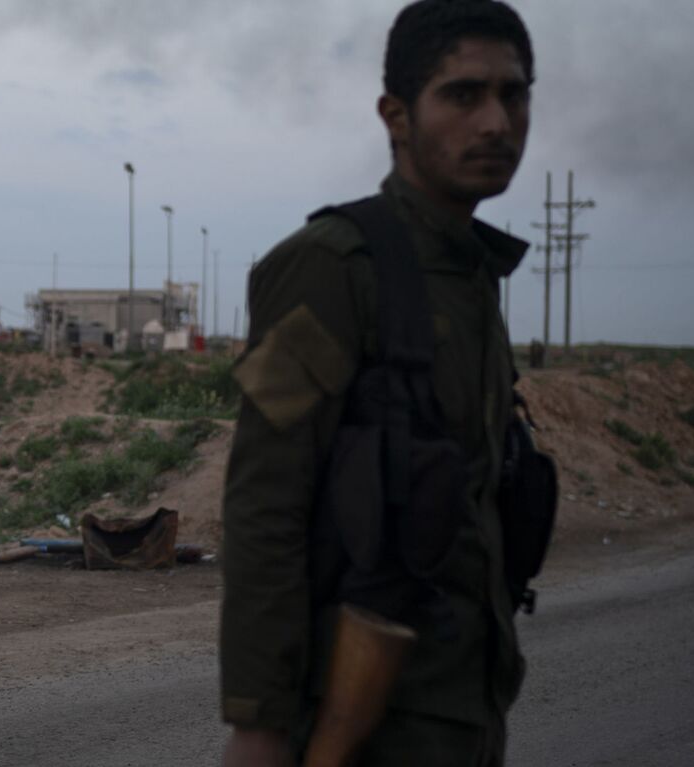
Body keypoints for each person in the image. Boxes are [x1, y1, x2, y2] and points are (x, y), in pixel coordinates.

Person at [218, 1, 537, 765]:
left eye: (514, 94)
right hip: (358, 722)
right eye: (463, 95)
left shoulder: (469, 270)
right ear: (396, 115)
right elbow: (266, 501)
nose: (496, 121)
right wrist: (258, 724)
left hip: (463, 708)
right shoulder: (336, 266)